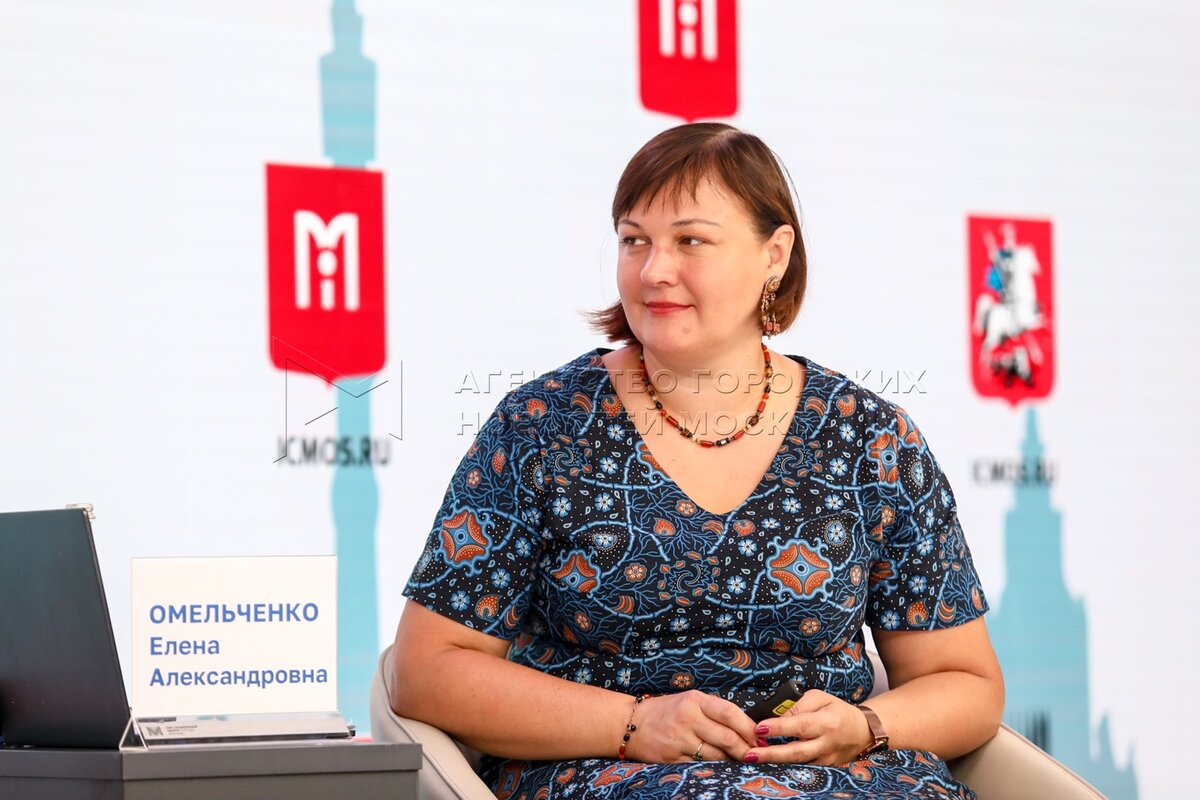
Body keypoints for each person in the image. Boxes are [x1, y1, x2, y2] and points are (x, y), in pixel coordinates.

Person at [392, 123, 1003, 799]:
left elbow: (965, 682)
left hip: (837, 780)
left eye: (690, 241)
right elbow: (426, 671)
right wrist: (629, 724)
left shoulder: (870, 439)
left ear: (775, 255)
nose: (654, 270)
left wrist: (866, 726)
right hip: (609, 774)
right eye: (634, 240)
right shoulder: (541, 427)